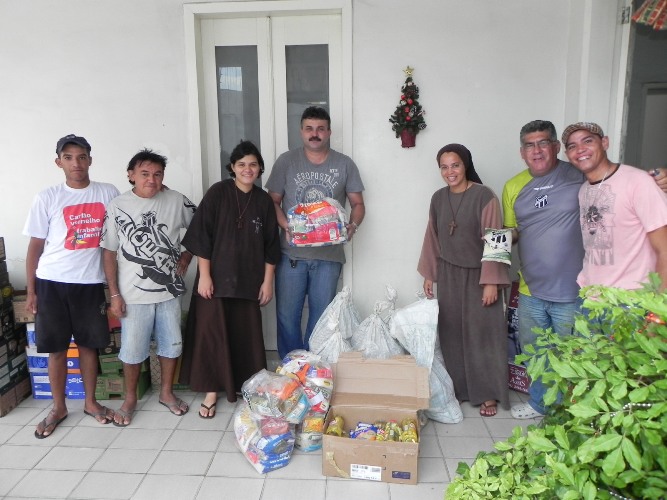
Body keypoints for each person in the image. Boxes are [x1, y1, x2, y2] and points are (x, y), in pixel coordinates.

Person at [24, 134, 120, 438]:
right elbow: (35, 247)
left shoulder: (108, 192)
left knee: (90, 346)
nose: (76, 163)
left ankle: (91, 403)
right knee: (56, 350)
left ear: (90, 159)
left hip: (90, 284)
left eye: (81, 157)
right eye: (68, 158)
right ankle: (59, 407)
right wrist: (31, 291)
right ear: (59, 162)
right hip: (51, 282)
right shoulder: (47, 197)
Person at [178, 141, 280, 417]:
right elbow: (203, 236)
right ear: (232, 168)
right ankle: (212, 390)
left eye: (253, 164)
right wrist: (205, 276)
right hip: (215, 281)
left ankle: (248, 387)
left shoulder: (263, 201)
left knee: (244, 336)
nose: (248, 169)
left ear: (260, 169)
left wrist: (267, 281)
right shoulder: (218, 193)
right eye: (242, 164)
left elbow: (271, 246)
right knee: (213, 336)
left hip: (249, 281)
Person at [101, 149, 196, 427]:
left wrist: (187, 255)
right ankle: (130, 398)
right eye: (144, 174)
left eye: (157, 174)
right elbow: (108, 252)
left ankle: (166, 393)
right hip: (133, 294)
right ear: (130, 175)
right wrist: (114, 294)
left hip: (170, 291)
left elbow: (201, 227)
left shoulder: (176, 200)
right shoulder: (118, 206)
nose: (151, 180)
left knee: (172, 345)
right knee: (132, 350)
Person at [265, 106, 365, 359]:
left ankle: (314, 371)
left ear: (329, 132)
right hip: (291, 255)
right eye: (309, 128)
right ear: (301, 132)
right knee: (287, 316)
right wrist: (286, 226)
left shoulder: (344, 164)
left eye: (320, 129)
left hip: (329, 256)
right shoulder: (287, 162)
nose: (315, 134)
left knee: (321, 318)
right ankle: (290, 367)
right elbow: (272, 201)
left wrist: (352, 226)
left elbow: (358, 204)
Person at [418, 144, 510, 417]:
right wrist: (429, 274)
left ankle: (488, 393)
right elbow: (432, 237)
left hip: (479, 275)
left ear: (466, 165)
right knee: (452, 333)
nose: (450, 172)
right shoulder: (438, 198)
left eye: (455, 165)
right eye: (444, 167)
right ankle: (459, 389)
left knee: (483, 334)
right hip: (448, 274)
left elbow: (496, 238)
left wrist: (491, 281)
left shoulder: (484, 196)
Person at [502, 120, 585, 420]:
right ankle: (540, 404)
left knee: (572, 355)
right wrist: (491, 244)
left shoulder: (580, 175)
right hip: (530, 288)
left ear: (555, 147)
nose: (536, 150)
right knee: (536, 352)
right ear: (522, 151)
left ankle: (574, 410)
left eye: (542, 143)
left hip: (573, 290)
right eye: (529, 145)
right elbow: (512, 231)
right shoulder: (513, 186)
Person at [562, 122, 667, 291]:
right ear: (568, 154)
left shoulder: (639, 182)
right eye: (572, 146)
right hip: (591, 297)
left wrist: (658, 306)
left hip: (631, 301)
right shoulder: (584, 190)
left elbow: (665, 250)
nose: (580, 149)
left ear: (605, 142)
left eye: (588, 141)